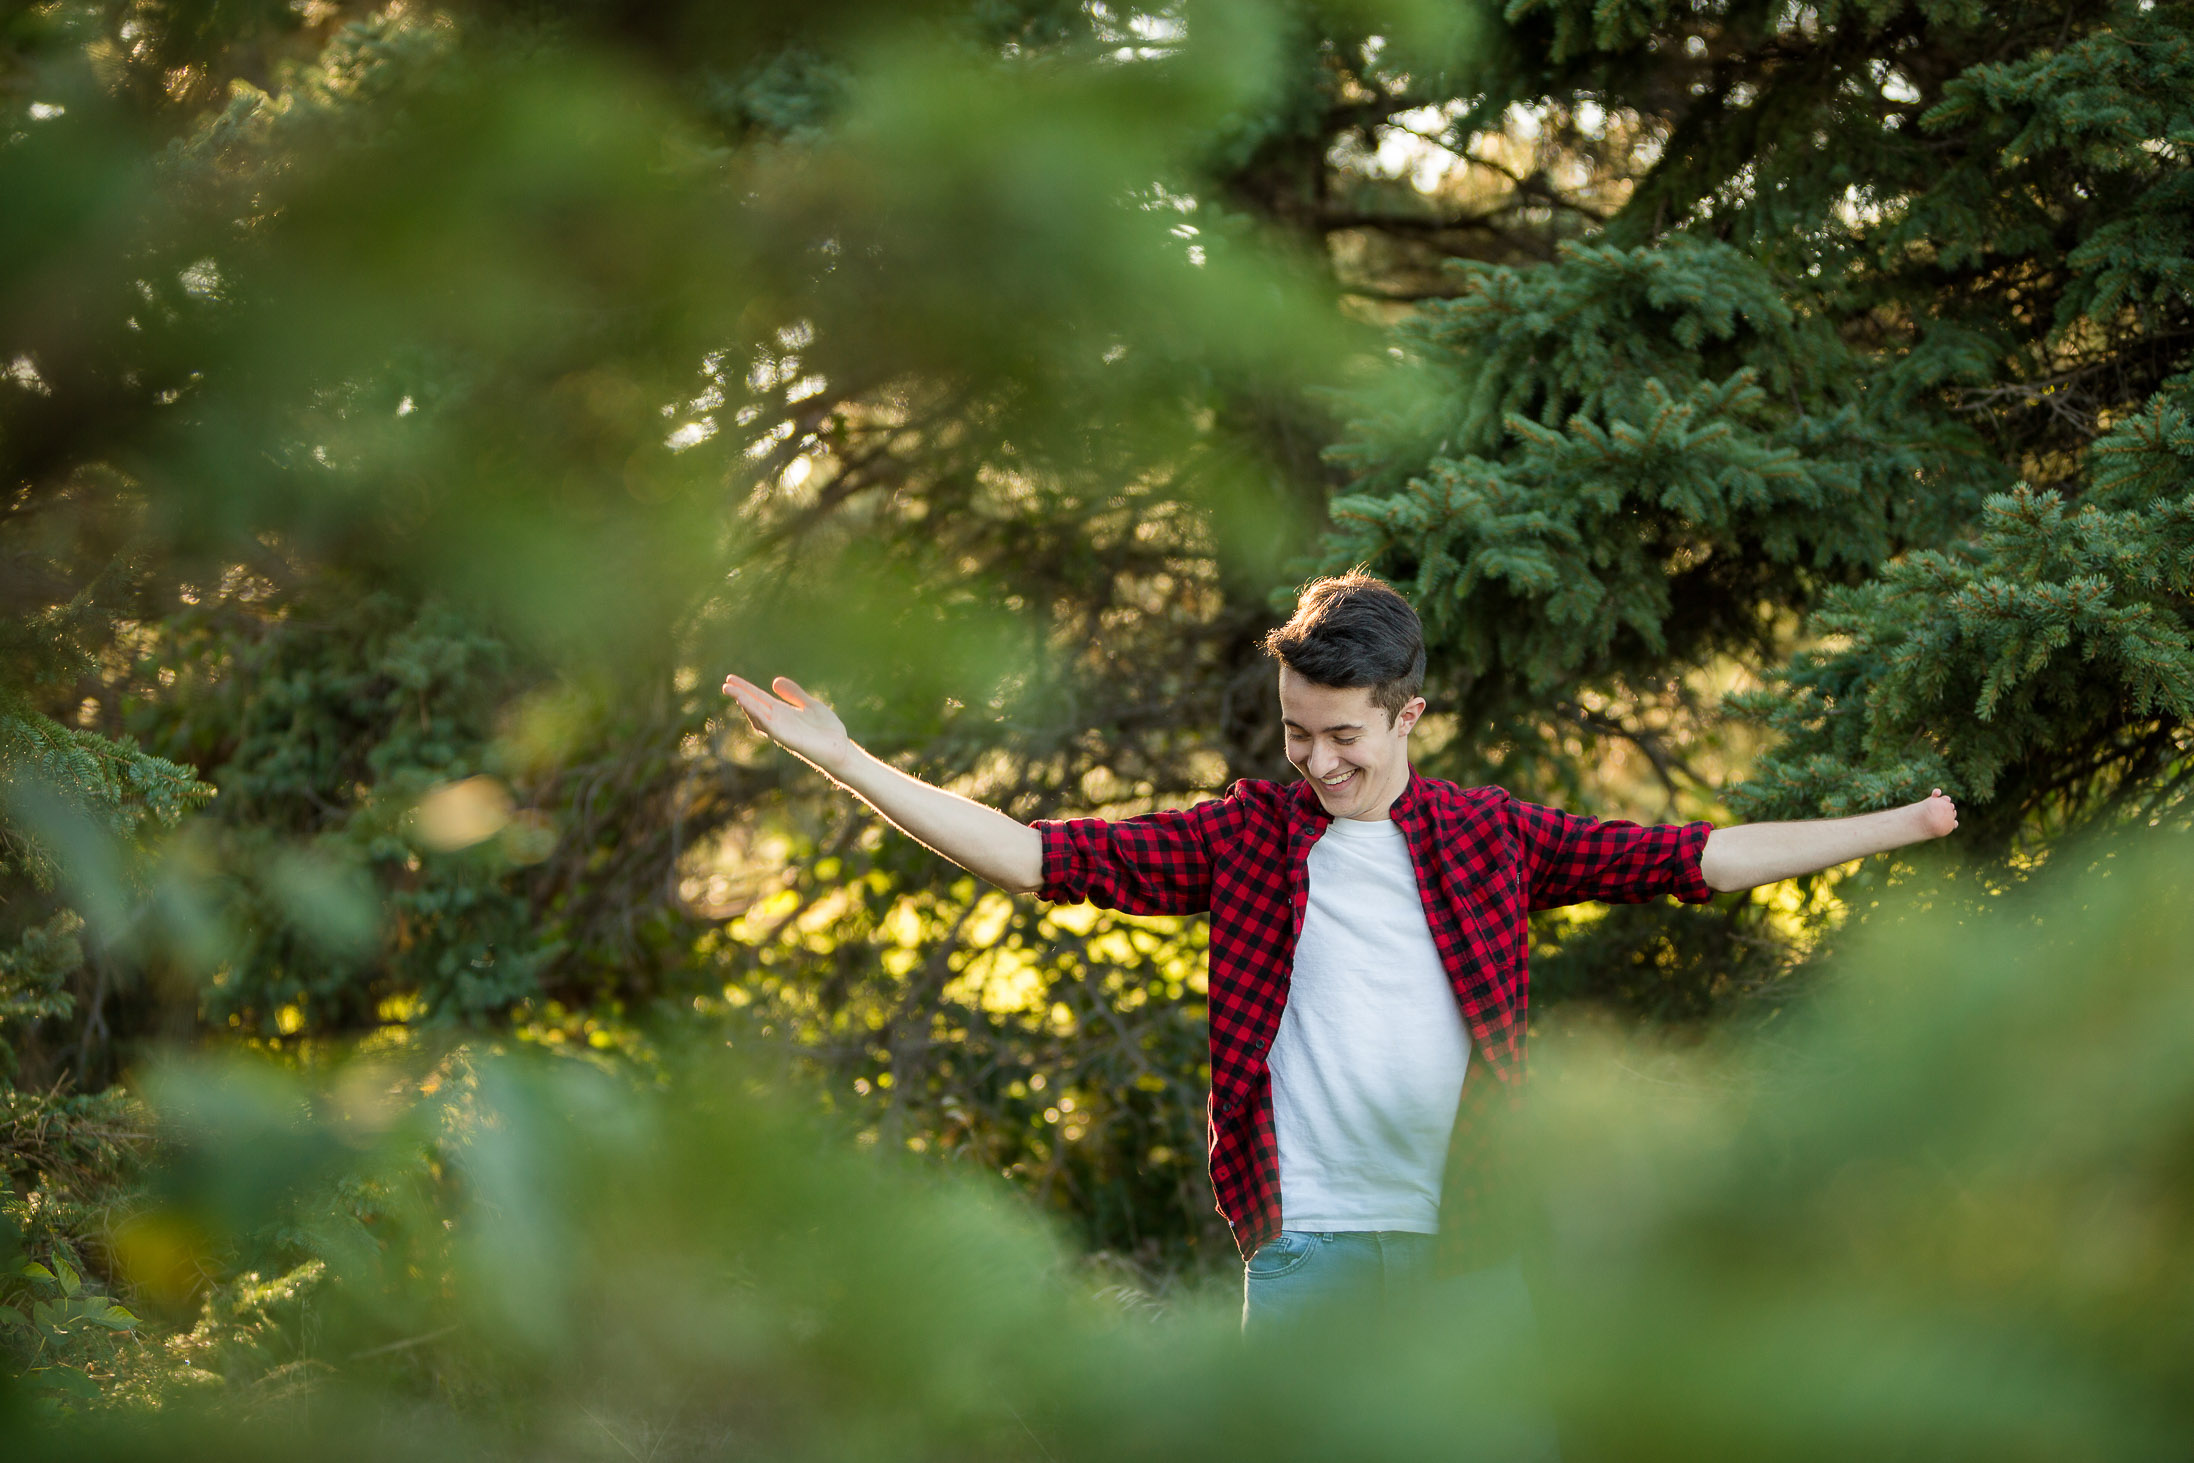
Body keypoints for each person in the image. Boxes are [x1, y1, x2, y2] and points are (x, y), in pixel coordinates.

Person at [720, 572, 1959, 1334]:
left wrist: (1894, 825)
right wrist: (845, 759)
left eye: (1343, 735)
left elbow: (1692, 857)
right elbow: (1037, 856)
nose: (1315, 760)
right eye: (1296, 732)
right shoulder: (1244, 838)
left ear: (1407, 712)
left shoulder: (1491, 836)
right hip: (1303, 1243)